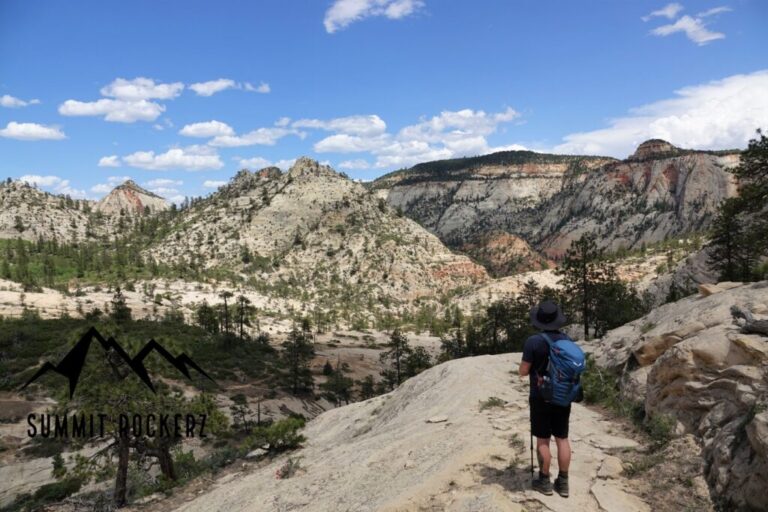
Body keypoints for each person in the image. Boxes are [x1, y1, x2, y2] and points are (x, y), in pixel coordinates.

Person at [518, 300, 574, 498]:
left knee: (543, 439)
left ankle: (544, 480)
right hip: (563, 396)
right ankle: (564, 482)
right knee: (562, 438)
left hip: (540, 397)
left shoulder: (533, 342)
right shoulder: (567, 341)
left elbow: (523, 371)